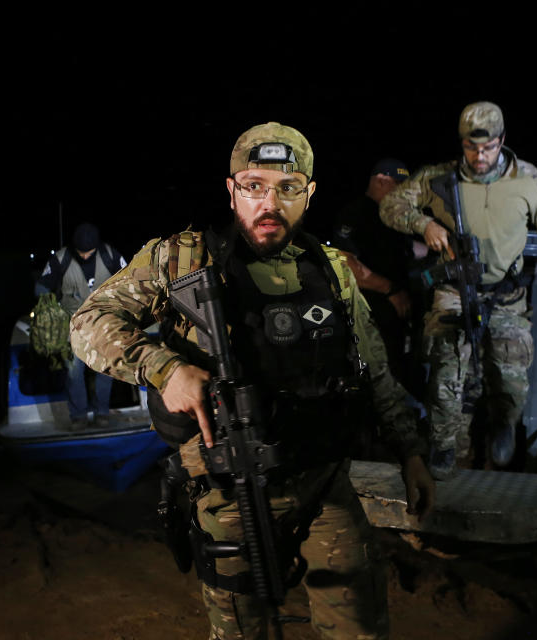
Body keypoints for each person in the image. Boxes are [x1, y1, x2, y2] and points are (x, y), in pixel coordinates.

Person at [69, 122, 435, 639]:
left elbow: (374, 370)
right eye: (254, 186)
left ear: (308, 194)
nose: (270, 202)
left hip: (323, 485)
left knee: (359, 629)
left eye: (287, 189)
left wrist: (411, 454)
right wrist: (163, 368)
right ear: (231, 189)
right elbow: (88, 322)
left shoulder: (332, 270)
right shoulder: (180, 259)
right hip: (229, 493)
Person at [379, 101, 537, 478]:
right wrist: (424, 225)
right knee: (445, 372)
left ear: (502, 141)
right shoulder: (440, 178)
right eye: (471, 147)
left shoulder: (530, 181)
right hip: (455, 287)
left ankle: (504, 424)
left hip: (506, 294)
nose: (479, 155)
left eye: (487, 147)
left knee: (512, 375)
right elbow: (390, 205)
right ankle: (443, 443)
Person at [332, 158, 418, 390]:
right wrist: (391, 290)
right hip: (370, 318)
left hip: (396, 320)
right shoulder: (356, 213)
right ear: (381, 181)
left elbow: (411, 251)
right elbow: (346, 264)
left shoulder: (391, 218)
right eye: (399, 185)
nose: (404, 193)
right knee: (380, 385)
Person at [35, 222, 126, 429]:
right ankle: (79, 415)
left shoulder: (110, 255)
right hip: (72, 323)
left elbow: (129, 280)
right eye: (80, 252)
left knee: (105, 368)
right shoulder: (61, 258)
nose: (84, 256)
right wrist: (48, 306)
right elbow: (41, 286)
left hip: (103, 321)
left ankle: (102, 412)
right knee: (73, 371)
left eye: (89, 253)